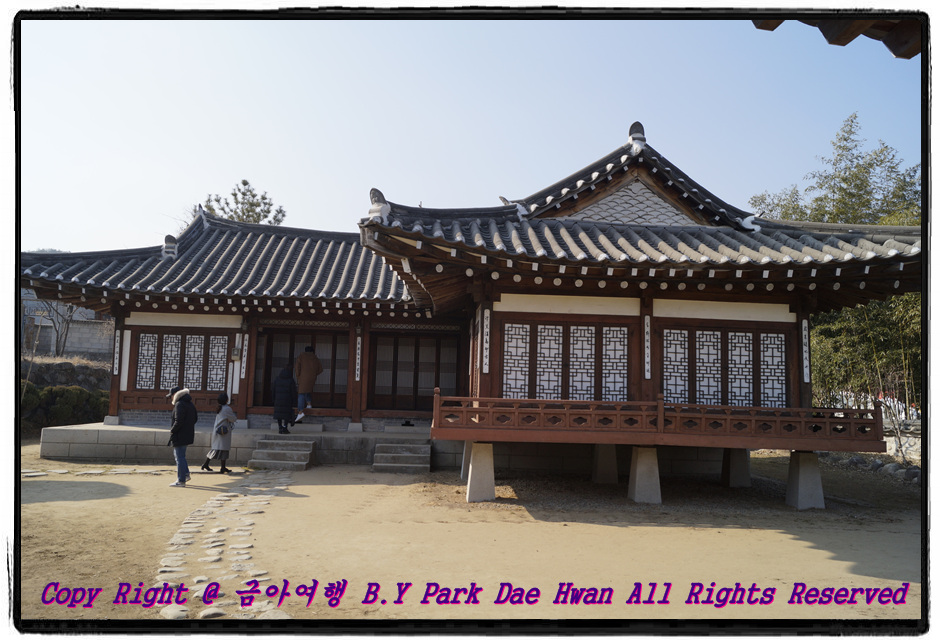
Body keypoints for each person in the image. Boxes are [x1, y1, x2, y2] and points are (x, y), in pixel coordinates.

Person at [167, 386, 197, 487]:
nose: (171, 398)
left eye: (171, 396)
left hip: (179, 434)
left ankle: (181, 480)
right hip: (187, 433)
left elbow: (178, 421)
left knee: (179, 457)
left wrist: (172, 430)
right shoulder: (190, 404)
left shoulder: (179, 404)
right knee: (181, 456)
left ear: (175, 395)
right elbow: (195, 418)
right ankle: (186, 474)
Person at [201, 392, 236, 473]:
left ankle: (208, 464)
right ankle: (220, 467)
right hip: (224, 432)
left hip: (218, 430)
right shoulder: (227, 409)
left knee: (216, 448)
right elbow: (233, 419)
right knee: (223, 449)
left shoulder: (220, 408)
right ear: (226, 400)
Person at [294, 345, 323, 423]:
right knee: (307, 390)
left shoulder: (301, 356)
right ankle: (309, 404)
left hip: (303, 377)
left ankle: (300, 412)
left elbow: (297, 367)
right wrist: (314, 374)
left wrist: (298, 376)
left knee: (301, 393)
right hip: (312, 378)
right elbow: (320, 369)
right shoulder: (315, 358)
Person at [272, 367, 298, 434]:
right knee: (287, 415)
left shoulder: (277, 380)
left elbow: (273, 390)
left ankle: (280, 427)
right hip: (287, 401)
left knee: (279, 414)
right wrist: (294, 402)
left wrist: (273, 399)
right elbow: (293, 392)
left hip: (278, 400)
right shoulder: (291, 380)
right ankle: (285, 427)